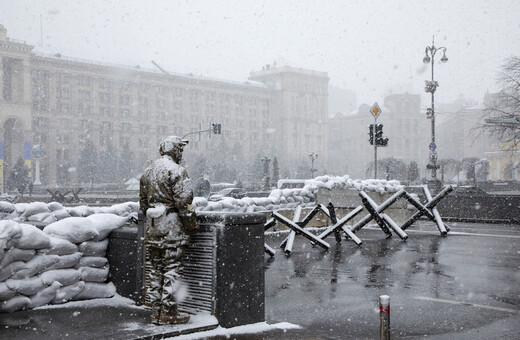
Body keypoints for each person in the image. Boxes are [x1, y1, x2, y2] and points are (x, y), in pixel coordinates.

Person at [139, 136, 197, 325]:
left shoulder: (147, 172)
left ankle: (155, 312)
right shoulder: (178, 171)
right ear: (175, 151)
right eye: (180, 150)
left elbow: (143, 204)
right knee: (172, 270)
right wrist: (191, 224)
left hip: (153, 228)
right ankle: (169, 313)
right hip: (172, 229)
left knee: (155, 270)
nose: (181, 154)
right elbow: (185, 203)